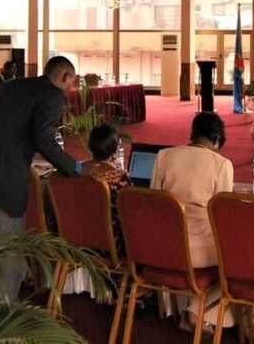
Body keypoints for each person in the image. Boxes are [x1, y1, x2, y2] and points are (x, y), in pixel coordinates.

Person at [0, 55, 86, 303]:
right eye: (72, 82)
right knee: (9, 250)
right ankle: (3, 315)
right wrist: (76, 167)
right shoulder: (52, 96)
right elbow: (44, 139)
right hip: (2, 177)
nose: (72, 89)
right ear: (65, 76)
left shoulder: (12, 85)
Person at [150, 111, 234, 331]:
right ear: (217, 140)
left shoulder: (164, 156)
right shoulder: (221, 164)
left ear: (193, 134)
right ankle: (198, 312)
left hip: (163, 248)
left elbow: (153, 203)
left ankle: (194, 311)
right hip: (200, 254)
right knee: (239, 265)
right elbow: (223, 217)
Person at [84, 124, 132, 258]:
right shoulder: (119, 178)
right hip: (110, 247)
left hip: (76, 243)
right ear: (115, 150)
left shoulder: (75, 172)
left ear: (90, 147)